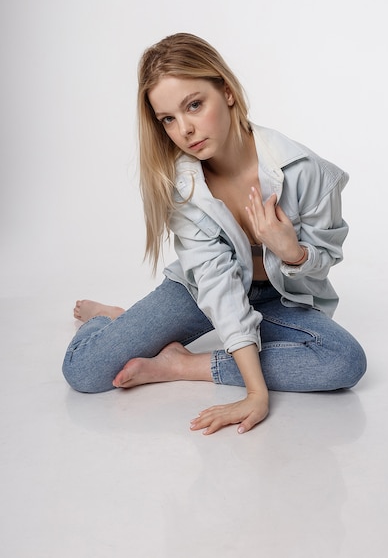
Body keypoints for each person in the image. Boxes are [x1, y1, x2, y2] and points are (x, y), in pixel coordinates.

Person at [62, 33, 367, 435]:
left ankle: (181, 365)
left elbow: (325, 258)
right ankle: (112, 321)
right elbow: (218, 286)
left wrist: (292, 252)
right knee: (84, 372)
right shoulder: (183, 185)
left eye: (194, 105)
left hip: (279, 298)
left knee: (344, 361)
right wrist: (256, 392)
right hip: (199, 292)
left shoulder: (307, 172)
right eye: (168, 119)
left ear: (226, 91)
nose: (185, 129)